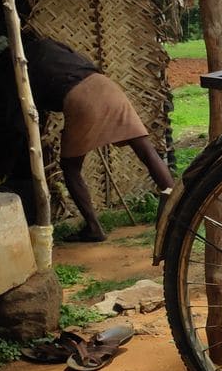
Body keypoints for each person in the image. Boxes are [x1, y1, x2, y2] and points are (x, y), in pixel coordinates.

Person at [20, 34, 174, 242]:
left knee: (71, 168)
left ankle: (94, 228)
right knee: (145, 148)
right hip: (105, 85)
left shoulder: (22, 64)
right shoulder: (50, 44)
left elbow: (33, 104)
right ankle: (176, 207)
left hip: (79, 97)